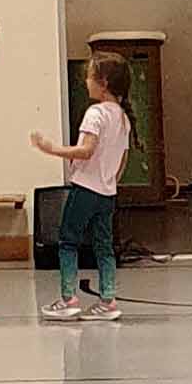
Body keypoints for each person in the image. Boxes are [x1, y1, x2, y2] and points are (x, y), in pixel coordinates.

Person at [32, 53, 132, 321]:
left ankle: (68, 299)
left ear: (104, 82)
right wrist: (110, 181)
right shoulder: (123, 118)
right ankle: (108, 301)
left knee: (68, 241)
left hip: (85, 190)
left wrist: (52, 149)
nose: (86, 81)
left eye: (89, 76)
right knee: (104, 246)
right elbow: (123, 158)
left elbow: (86, 150)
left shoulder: (95, 113)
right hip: (107, 194)